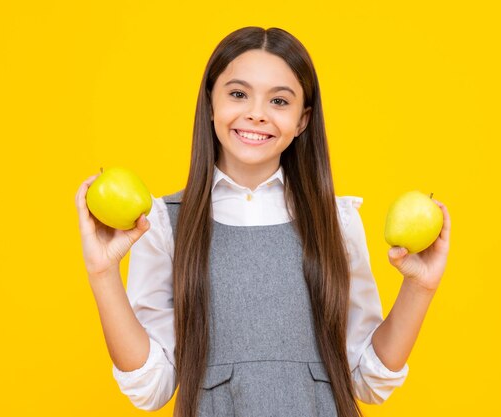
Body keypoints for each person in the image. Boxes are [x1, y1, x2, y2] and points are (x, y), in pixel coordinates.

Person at [75, 26, 451, 417]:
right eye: (238, 94)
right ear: (210, 104)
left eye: (279, 101)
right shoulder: (164, 222)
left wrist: (419, 286)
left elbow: (366, 378)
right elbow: (150, 388)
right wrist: (103, 273)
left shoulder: (336, 221)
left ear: (303, 120)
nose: (256, 113)